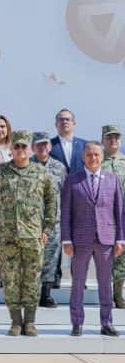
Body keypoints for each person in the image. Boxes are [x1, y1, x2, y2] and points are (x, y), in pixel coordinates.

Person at [0, 130, 57, 337]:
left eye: (24, 146)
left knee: (32, 280)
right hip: (7, 237)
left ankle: (31, 322)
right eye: (16, 146)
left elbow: (52, 201)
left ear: (31, 148)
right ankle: (16, 321)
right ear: (11, 149)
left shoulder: (41, 173)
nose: (20, 150)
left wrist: (47, 228)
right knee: (11, 280)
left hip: (33, 236)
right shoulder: (0, 173)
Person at [62, 142, 125, 336]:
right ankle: (77, 323)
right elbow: (66, 213)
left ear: (102, 157)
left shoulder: (112, 180)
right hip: (80, 240)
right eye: (89, 154)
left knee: (105, 283)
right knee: (78, 283)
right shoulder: (73, 180)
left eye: (97, 154)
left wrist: (120, 239)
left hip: (106, 239)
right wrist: (66, 240)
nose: (93, 158)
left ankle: (106, 323)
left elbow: (120, 211)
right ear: (83, 157)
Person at [31, 132, 67, 308]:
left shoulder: (59, 167)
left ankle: (46, 294)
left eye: (45, 144)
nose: (42, 147)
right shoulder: (26, 165)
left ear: (50, 147)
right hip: (31, 222)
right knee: (32, 258)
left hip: (53, 222)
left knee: (51, 258)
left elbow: (65, 194)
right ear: (33, 147)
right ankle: (31, 293)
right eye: (38, 145)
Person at [101, 124, 125, 308]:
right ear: (103, 140)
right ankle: (106, 294)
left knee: (122, 257)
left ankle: (118, 294)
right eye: (109, 137)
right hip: (105, 216)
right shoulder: (98, 162)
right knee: (106, 255)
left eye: (116, 137)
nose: (113, 140)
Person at [51, 108, 86, 174]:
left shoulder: (84, 145)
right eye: (61, 119)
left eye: (67, 119)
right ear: (56, 124)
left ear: (74, 123)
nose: (64, 122)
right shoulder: (49, 145)